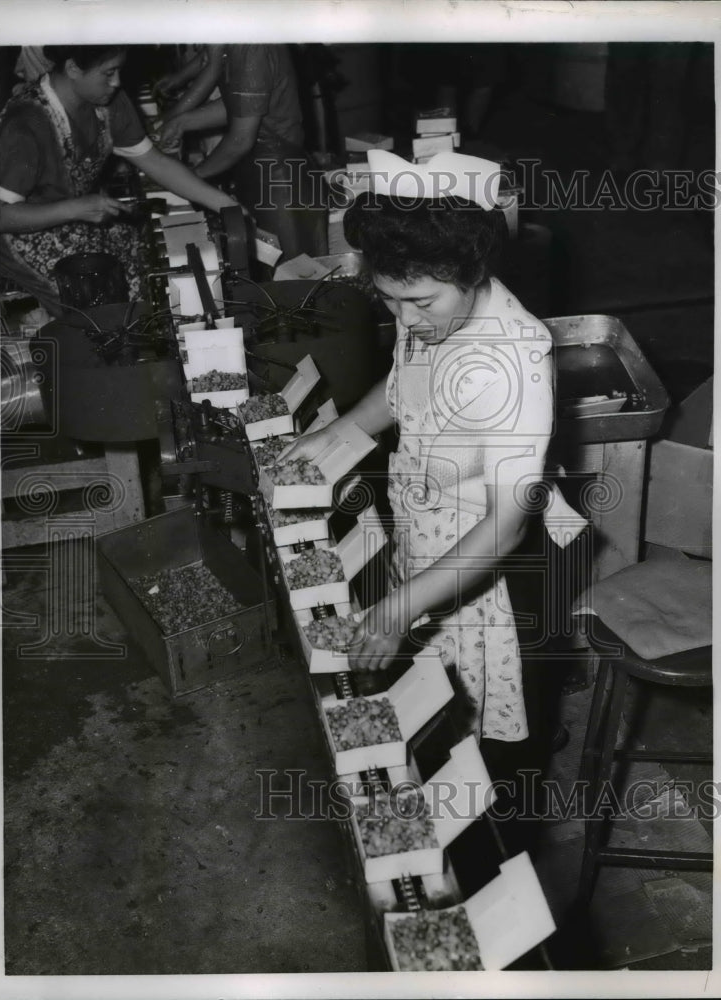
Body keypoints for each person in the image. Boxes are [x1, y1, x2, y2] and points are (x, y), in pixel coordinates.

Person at [283, 150, 582, 850]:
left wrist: (401, 605)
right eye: (388, 299)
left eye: (419, 302)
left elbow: (506, 523)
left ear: (473, 273)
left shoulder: (513, 358)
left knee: (488, 743)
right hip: (426, 538)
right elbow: (398, 393)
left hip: (492, 570)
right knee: (431, 704)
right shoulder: (430, 315)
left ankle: (494, 849)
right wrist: (337, 433)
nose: (405, 319)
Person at [0, 44, 237, 315]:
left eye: (119, 70)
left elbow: (155, 162)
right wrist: (75, 209)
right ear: (73, 68)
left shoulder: (108, 102)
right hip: (19, 237)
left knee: (143, 274)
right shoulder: (27, 122)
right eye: (108, 72)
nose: (117, 82)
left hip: (74, 219)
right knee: (103, 310)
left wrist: (225, 204)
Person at [159, 44, 327, 261]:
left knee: (293, 281)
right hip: (261, 173)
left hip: (280, 182)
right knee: (268, 278)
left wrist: (191, 179)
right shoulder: (237, 41)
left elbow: (240, 140)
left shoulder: (250, 48)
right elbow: (244, 107)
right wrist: (182, 122)